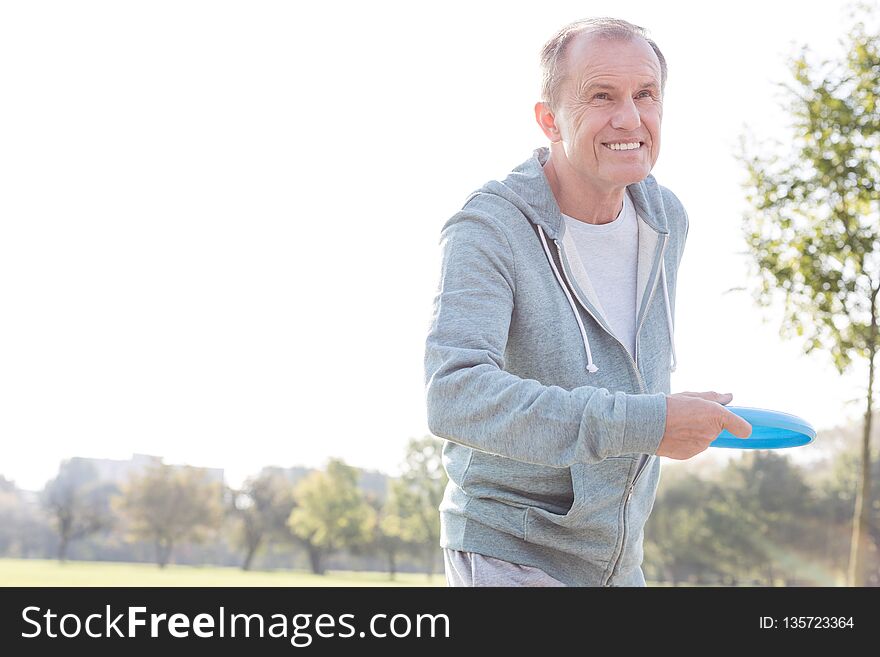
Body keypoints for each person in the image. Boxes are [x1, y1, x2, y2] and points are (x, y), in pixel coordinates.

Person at [423, 17, 752, 587]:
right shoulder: (489, 228)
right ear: (549, 119)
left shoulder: (665, 218)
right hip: (509, 551)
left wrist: (668, 416)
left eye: (645, 95)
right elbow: (455, 397)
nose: (630, 118)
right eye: (602, 97)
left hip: (617, 564)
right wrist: (647, 422)